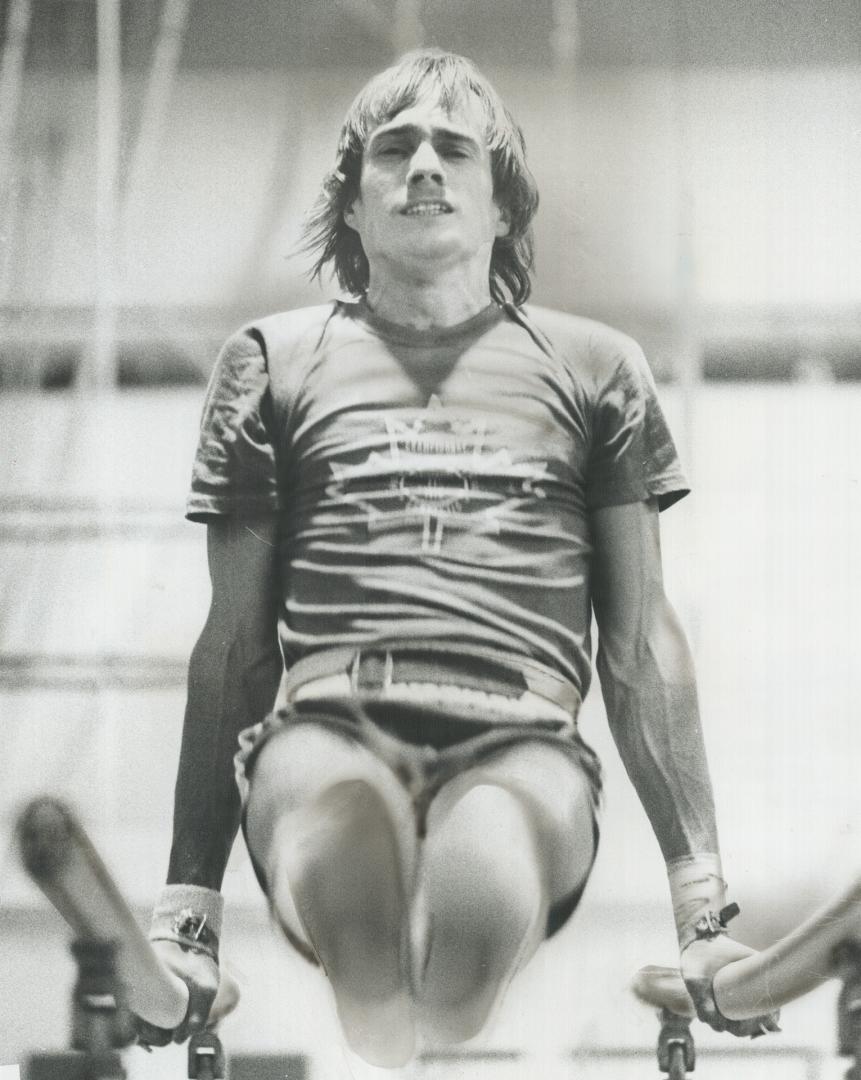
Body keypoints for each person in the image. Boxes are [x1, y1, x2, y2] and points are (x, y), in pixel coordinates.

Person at [141, 49, 778, 1068]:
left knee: (481, 882)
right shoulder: (274, 360)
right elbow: (235, 648)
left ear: (501, 205)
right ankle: (379, 999)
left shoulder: (594, 367)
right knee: (340, 824)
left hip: (520, 741)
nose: (425, 168)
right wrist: (187, 912)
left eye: (454, 149)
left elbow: (638, 645)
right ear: (352, 206)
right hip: (326, 722)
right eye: (394, 150)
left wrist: (702, 905)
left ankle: (425, 1014)